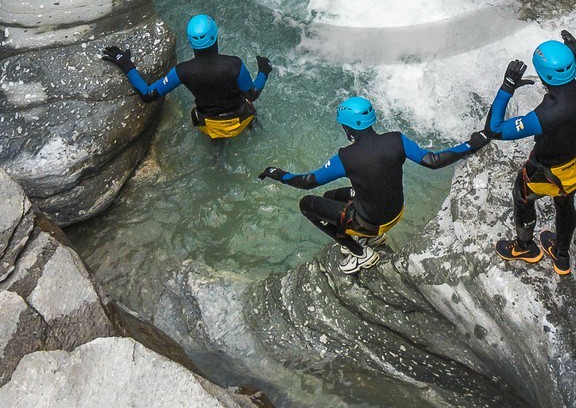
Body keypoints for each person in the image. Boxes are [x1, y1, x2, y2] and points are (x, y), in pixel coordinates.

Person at [259, 96, 489, 274]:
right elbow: (433, 160)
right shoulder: (396, 139)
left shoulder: (346, 157)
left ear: (348, 128)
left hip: (370, 221)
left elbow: (308, 182)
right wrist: (472, 143)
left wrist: (278, 174)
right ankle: (373, 238)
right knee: (330, 195)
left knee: (307, 204)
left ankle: (360, 252)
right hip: (396, 213)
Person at [486, 29, 576, 274]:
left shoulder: (545, 116)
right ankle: (561, 256)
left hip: (545, 171)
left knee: (522, 197)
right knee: (565, 203)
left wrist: (507, 87)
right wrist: (574, 53)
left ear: (542, 76)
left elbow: (494, 129)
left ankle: (524, 247)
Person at [102, 14, 272, 139]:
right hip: (239, 120)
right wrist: (264, 71)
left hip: (210, 125)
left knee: (214, 135)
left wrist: (126, 64)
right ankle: (255, 131)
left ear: (191, 42)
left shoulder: (182, 71)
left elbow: (147, 94)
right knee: (250, 112)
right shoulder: (234, 65)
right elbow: (253, 94)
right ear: (215, 35)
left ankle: (217, 150)